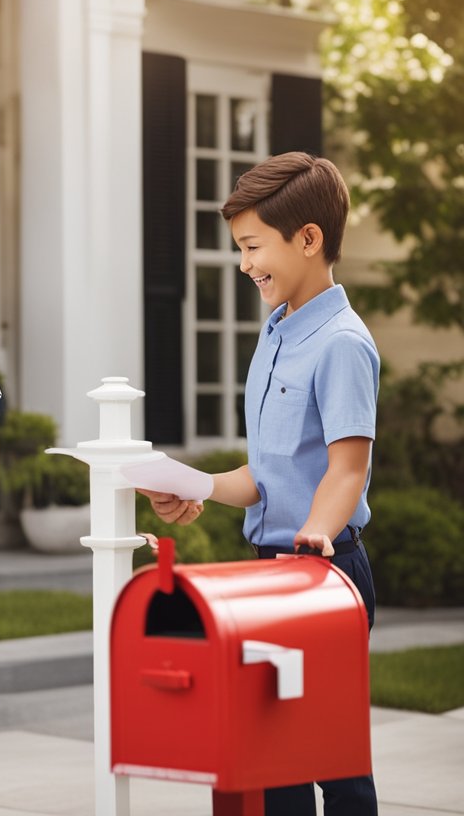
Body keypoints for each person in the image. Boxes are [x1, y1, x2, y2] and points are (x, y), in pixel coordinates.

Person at [141, 152, 380, 816]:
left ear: (308, 239)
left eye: (253, 246)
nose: (244, 264)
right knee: (273, 769)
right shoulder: (276, 333)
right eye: (240, 247)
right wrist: (196, 486)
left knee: (334, 763)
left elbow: (347, 467)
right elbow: (266, 474)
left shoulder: (340, 343)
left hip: (323, 574)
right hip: (271, 573)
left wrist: (316, 534)